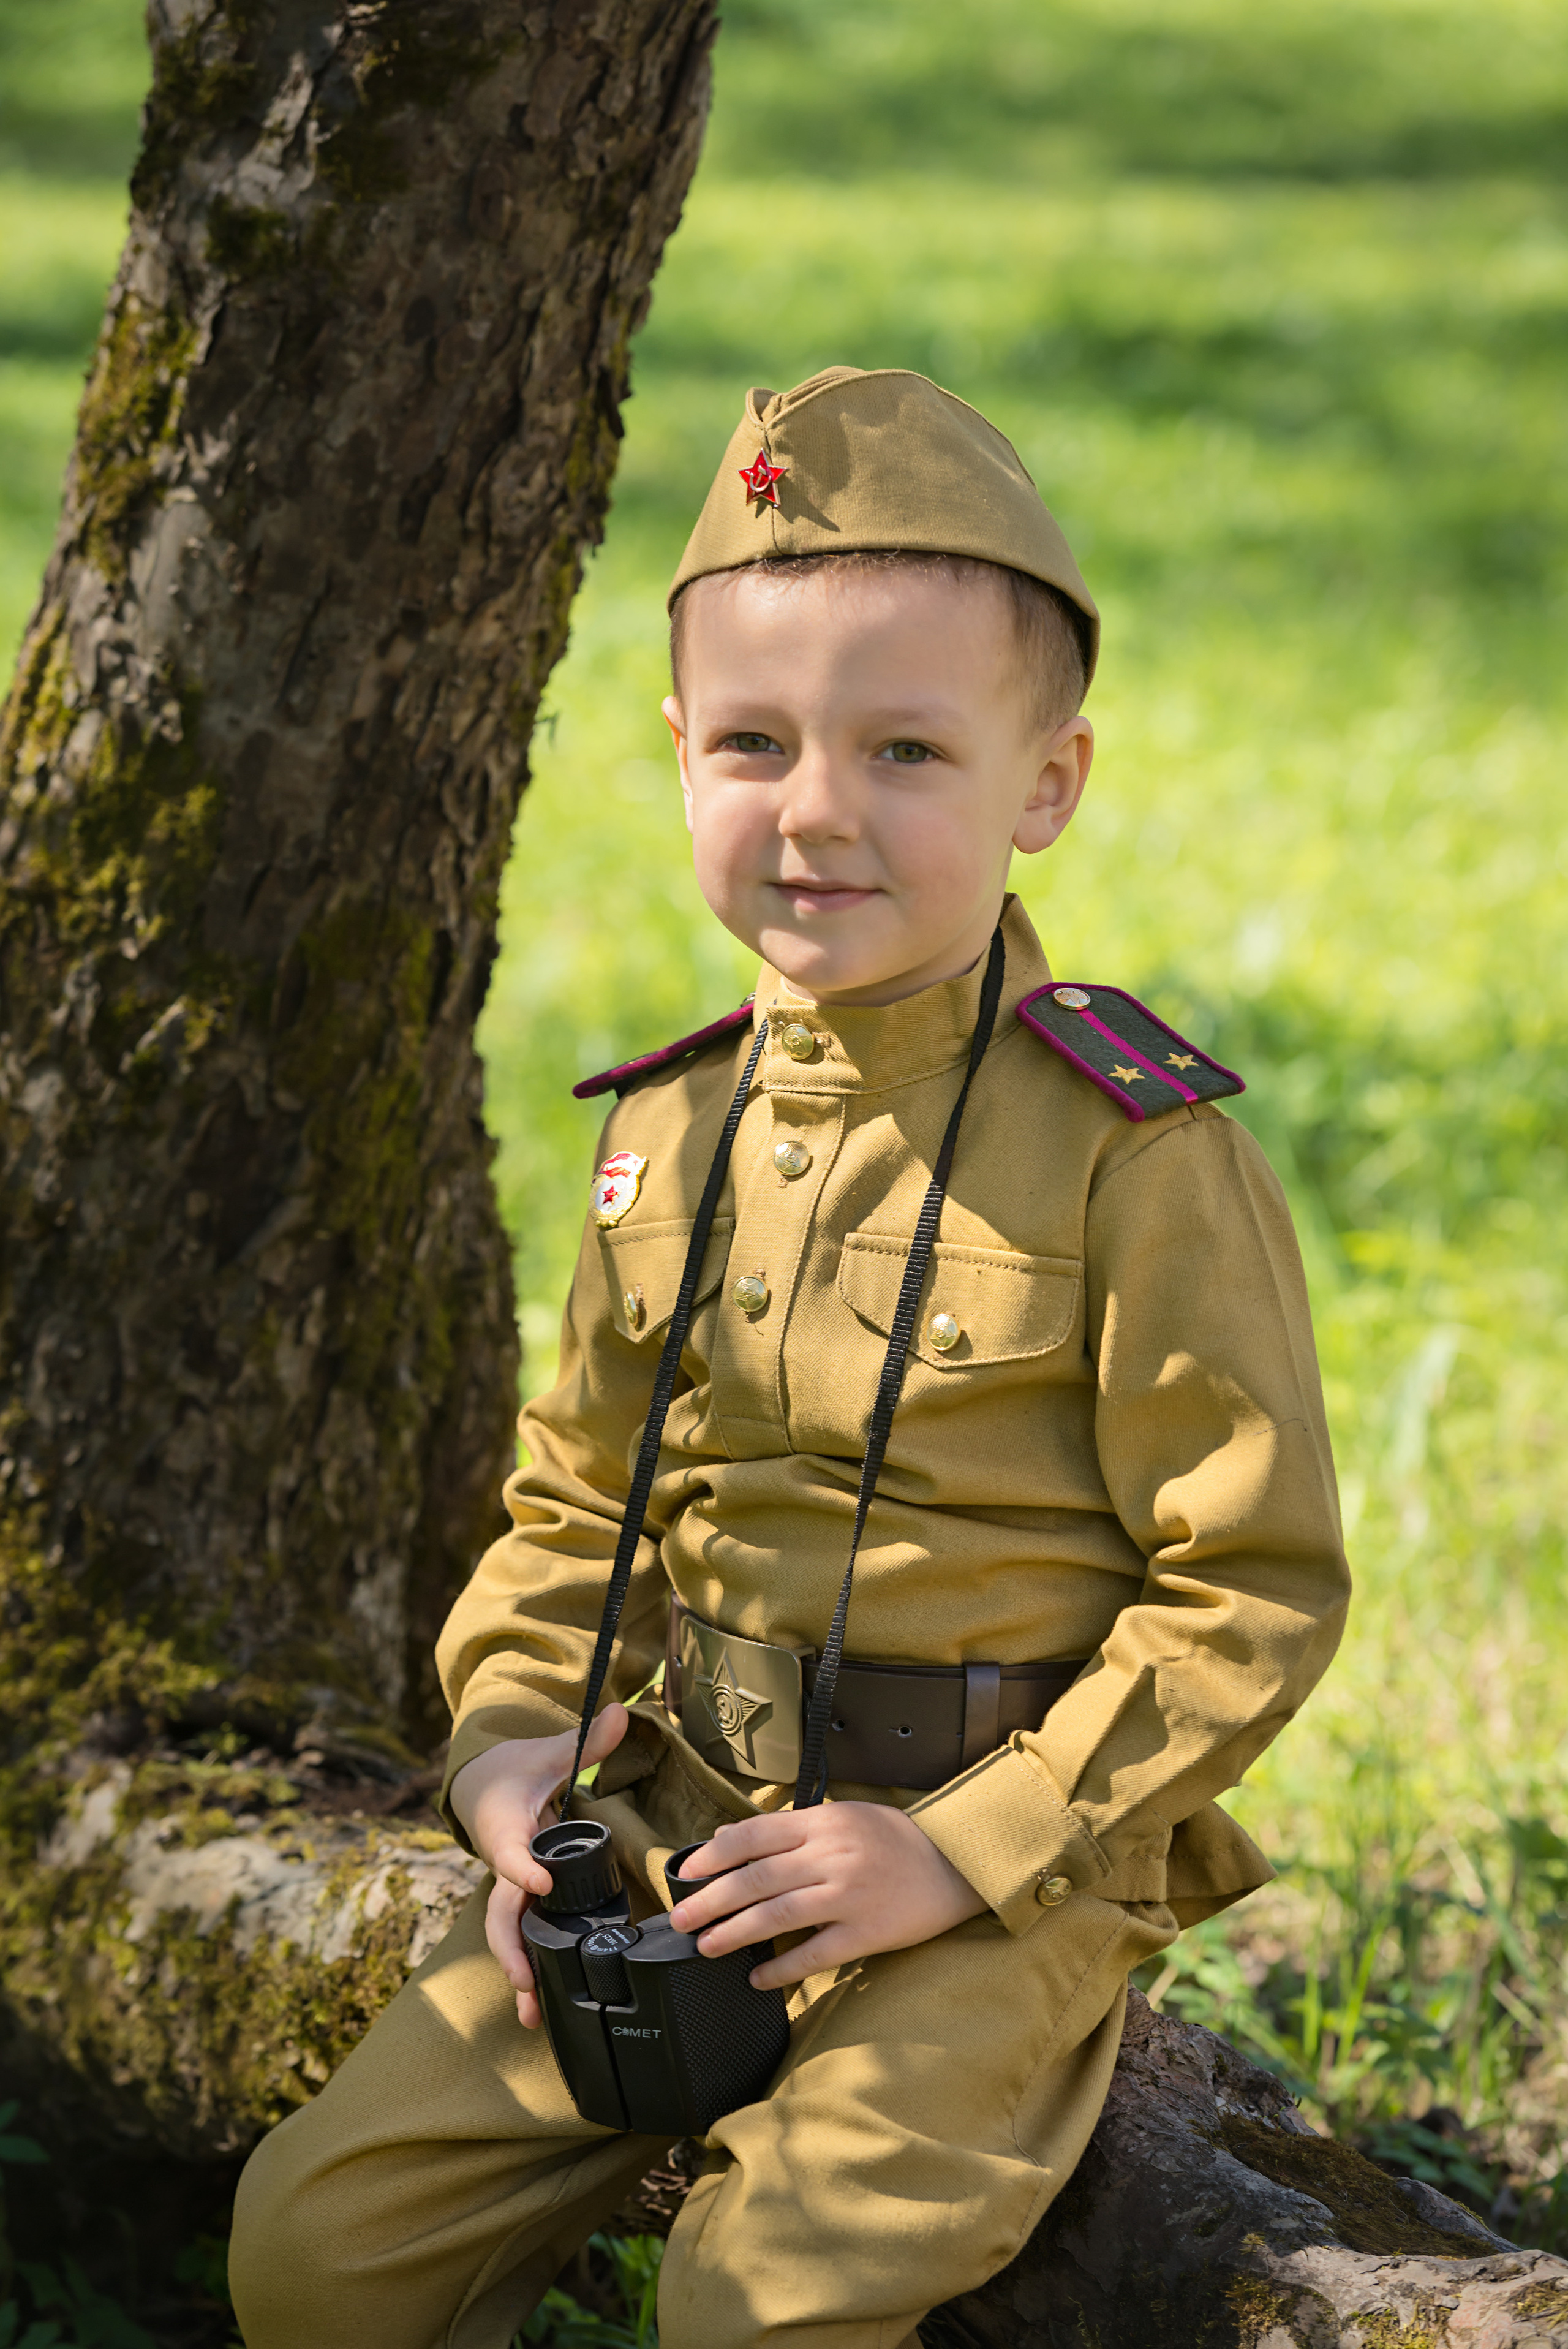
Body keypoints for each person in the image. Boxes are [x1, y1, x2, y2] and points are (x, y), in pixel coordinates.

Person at [229, 366, 1349, 2349]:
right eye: (753, 741)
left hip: (1000, 1861)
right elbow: (575, 1499)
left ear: (1047, 785)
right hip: (680, 1824)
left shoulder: (1137, 1156)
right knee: (320, 2248)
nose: (815, 810)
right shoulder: (669, 1130)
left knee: (757, 2297)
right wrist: (507, 1747)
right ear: (676, 758)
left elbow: (1245, 1585)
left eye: (906, 748)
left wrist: (956, 1850)